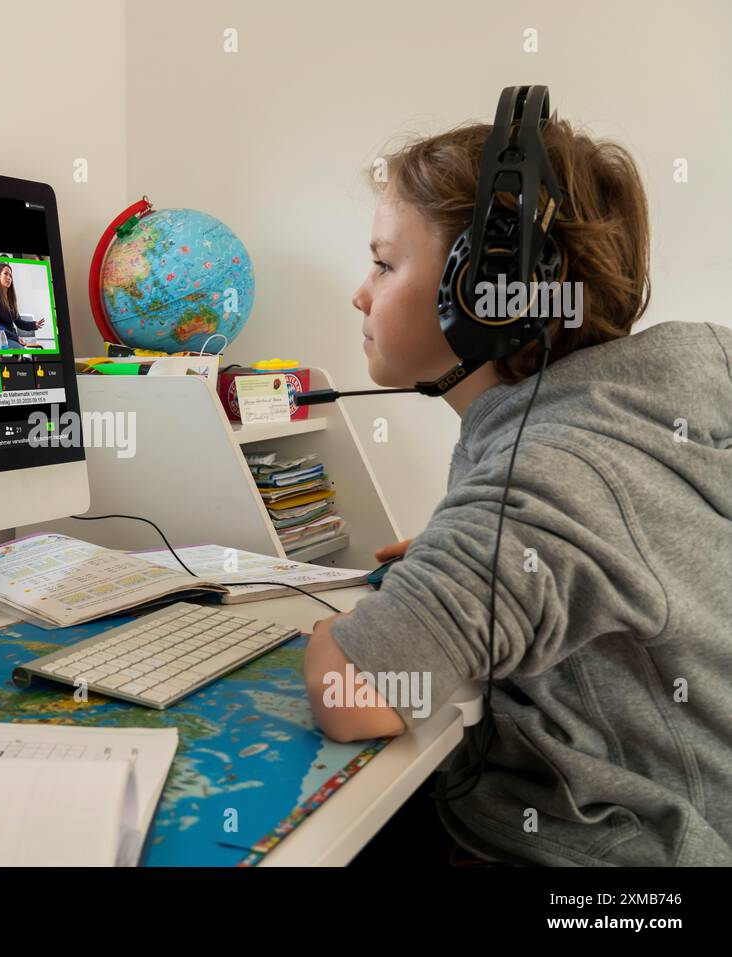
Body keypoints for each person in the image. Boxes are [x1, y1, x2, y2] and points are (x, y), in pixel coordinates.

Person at [303, 114, 732, 866]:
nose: (359, 295)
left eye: (383, 264)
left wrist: (327, 635)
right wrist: (463, 567)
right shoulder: (623, 418)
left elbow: (354, 695)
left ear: (487, 293)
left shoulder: (551, 470)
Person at [0, 263, 44, 348]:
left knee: (28, 354)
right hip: (1, 339)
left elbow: (19, 323)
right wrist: (16, 337)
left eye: (10, 275)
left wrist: (34, 325)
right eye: (6, 274)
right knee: (22, 351)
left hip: (12, 338)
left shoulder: (10, 298)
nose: (9, 277)